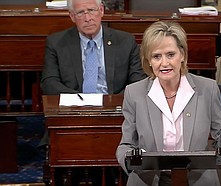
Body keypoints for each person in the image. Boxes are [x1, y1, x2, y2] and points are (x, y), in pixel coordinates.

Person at [116, 21, 221, 186]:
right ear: (148, 60)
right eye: (156, 56)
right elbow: (126, 144)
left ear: (182, 55)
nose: (164, 63)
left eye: (171, 54)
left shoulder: (207, 89)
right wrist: (131, 158)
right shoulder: (134, 93)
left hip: (198, 179)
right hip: (148, 179)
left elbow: (220, 132)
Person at [39, 0, 146, 185]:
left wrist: (109, 101)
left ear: (102, 11)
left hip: (115, 113)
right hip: (74, 113)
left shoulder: (125, 41)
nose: (87, 18)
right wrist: (82, 100)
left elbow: (138, 81)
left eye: (91, 10)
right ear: (72, 17)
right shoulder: (57, 42)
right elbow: (49, 82)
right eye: (80, 13)